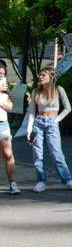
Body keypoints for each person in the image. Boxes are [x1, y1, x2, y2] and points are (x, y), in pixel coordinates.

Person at [23, 66, 72, 192]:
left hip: (52, 123)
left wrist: (57, 120)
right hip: (38, 123)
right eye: (40, 75)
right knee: (37, 154)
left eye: (43, 75)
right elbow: (31, 111)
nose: (40, 77)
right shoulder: (36, 92)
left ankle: (67, 180)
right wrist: (29, 128)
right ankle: (41, 181)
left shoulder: (58, 89)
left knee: (56, 152)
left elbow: (68, 108)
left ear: (51, 77)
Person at [1, 62, 17, 195]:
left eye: (3, 74)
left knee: (8, 154)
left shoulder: (6, 91)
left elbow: (10, 108)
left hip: (3, 124)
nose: (1, 77)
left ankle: (12, 183)